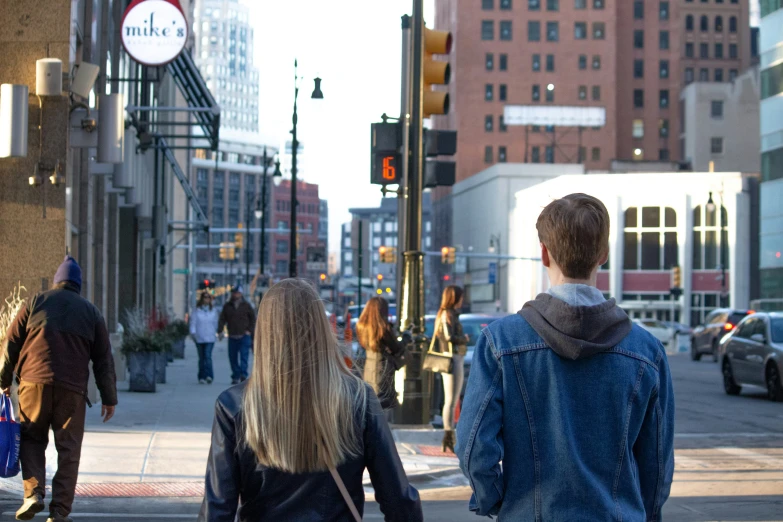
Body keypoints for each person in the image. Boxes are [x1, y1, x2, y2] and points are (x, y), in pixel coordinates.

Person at [456, 194, 675, 520]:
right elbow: (656, 463)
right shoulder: (646, 351)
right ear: (604, 254)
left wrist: (498, 502)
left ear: (544, 253)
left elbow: (474, 448)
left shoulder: (501, 342)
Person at [199, 279, 422, 521]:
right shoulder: (358, 398)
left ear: (264, 332)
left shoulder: (234, 405)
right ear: (321, 328)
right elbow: (399, 501)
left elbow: (217, 508)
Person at [0, 256, 117, 522]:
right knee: (69, 449)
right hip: (72, 391)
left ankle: (33, 494)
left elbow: (11, 344)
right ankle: (59, 511)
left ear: (56, 281)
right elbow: (104, 360)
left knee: (31, 439)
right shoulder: (91, 312)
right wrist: (109, 398)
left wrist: (3, 381)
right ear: (78, 284)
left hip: (33, 384)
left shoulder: (35, 302)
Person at [434, 285, 469, 453]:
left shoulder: (448, 314)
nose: (463, 300)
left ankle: (449, 436)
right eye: (460, 297)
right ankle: (449, 436)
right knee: (451, 400)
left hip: (453, 359)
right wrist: (464, 338)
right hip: (452, 359)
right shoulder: (447, 314)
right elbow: (449, 337)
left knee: (452, 400)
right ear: (454, 298)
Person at [356, 297, 406, 413]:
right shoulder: (383, 327)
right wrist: (405, 339)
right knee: (383, 406)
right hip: (383, 367)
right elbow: (397, 348)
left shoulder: (362, 325)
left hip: (369, 366)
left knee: (372, 403)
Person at [218, 285, 256, 384]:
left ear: (241, 294)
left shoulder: (246, 305)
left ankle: (243, 374)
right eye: (234, 293)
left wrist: (249, 330)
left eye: (237, 293)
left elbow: (253, 319)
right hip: (232, 335)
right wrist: (220, 330)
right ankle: (235, 375)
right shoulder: (227, 306)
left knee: (244, 356)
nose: (236, 294)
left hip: (244, 335)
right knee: (233, 357)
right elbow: (222, 319)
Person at [190, 291, 219, 384]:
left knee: (208, 356)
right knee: (201, 358)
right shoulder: (197, 310)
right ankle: (201, 376)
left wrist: (216, 332)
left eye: (208, 297)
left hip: (210, 337)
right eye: (204, 297)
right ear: (201, 299)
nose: (206, 299)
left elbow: (215, 323)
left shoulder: (213, 310)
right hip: (199, 336)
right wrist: (193, 333)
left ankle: (209, 375)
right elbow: (193, 322)